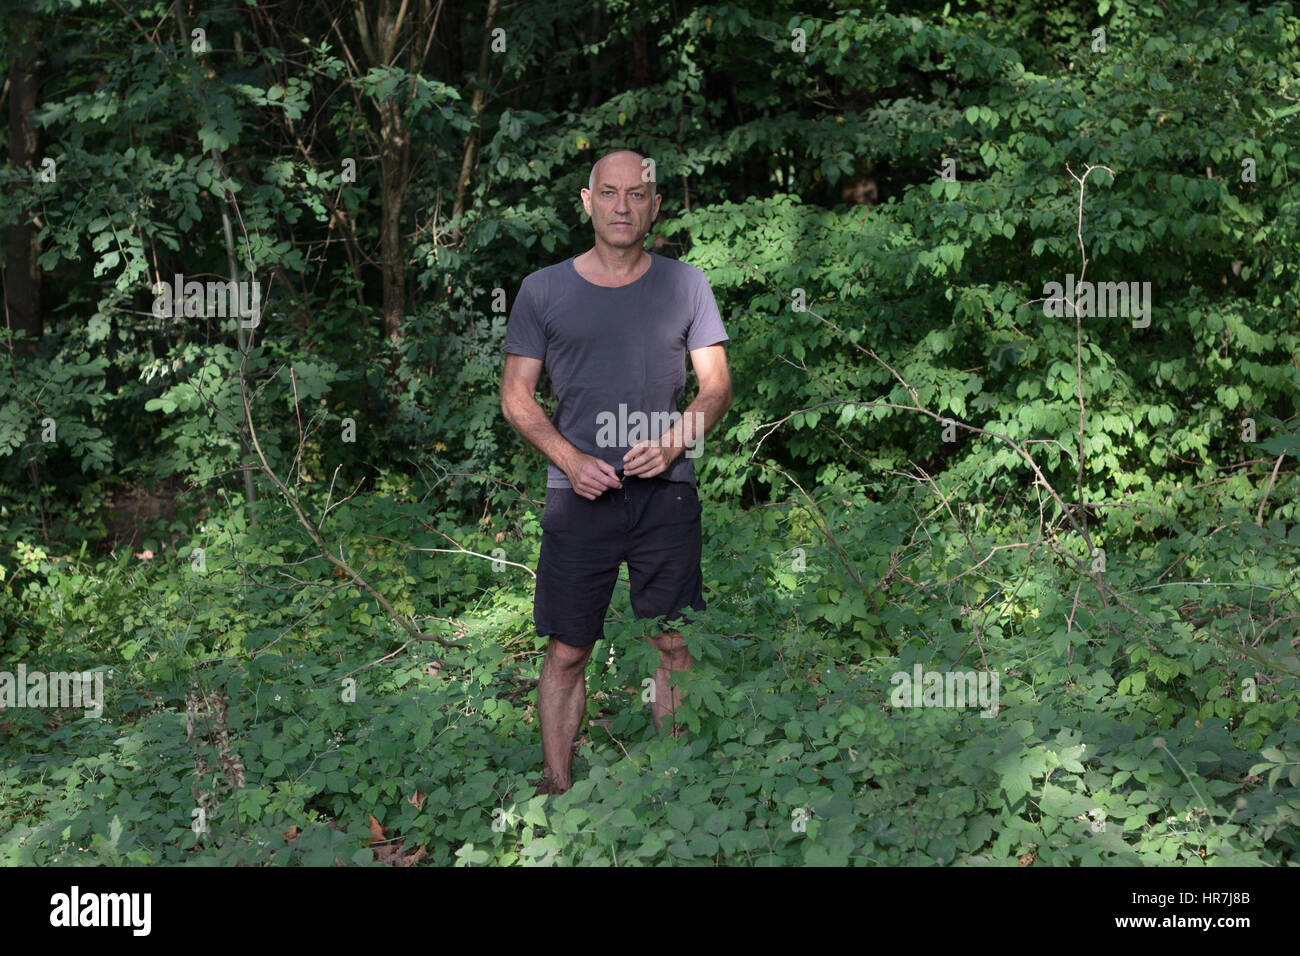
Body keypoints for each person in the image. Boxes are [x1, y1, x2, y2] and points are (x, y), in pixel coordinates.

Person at [500, 149, 732, 795]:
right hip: (579, 496)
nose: (623, 206)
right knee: (568, 648)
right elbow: (516, 396)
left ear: (656, 205)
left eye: (637, 194)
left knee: (672, 641)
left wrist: (674, 443)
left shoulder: (685, 284)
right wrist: (571, 461)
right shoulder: (543, 289)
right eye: (609, 193)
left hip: (666, 494)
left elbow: (715, 387)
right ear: (587, 201)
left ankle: (675, 785)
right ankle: (555, 784)